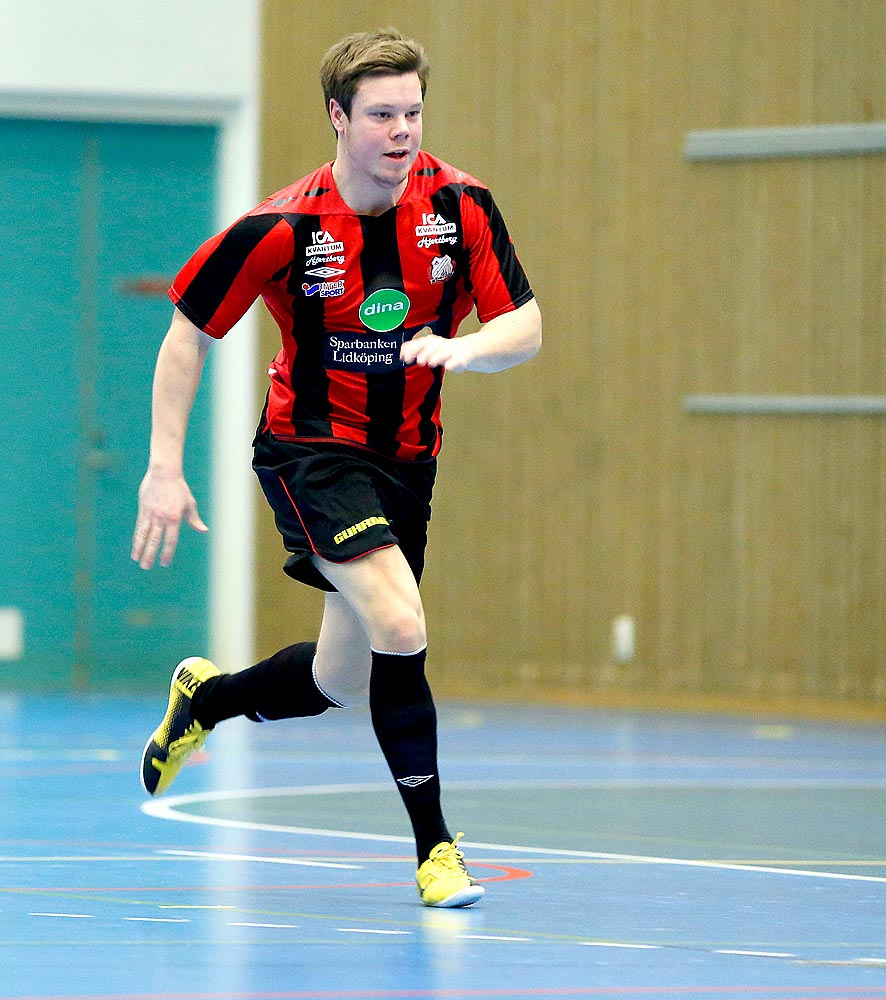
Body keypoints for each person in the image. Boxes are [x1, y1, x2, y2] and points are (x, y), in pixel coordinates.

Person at [131, 27, 541, 909]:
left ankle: (205, 701)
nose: (402, 132)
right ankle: (436, 851)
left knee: (339, 681)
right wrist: (163, 469)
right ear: (338, 117)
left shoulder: (462, 206)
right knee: (402, 619)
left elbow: (525, 329)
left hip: (407, 462)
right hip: (309, 452)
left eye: (413, 113)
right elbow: (187, 335)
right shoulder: (282, 226)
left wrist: (462, 352)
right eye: (382, 115)